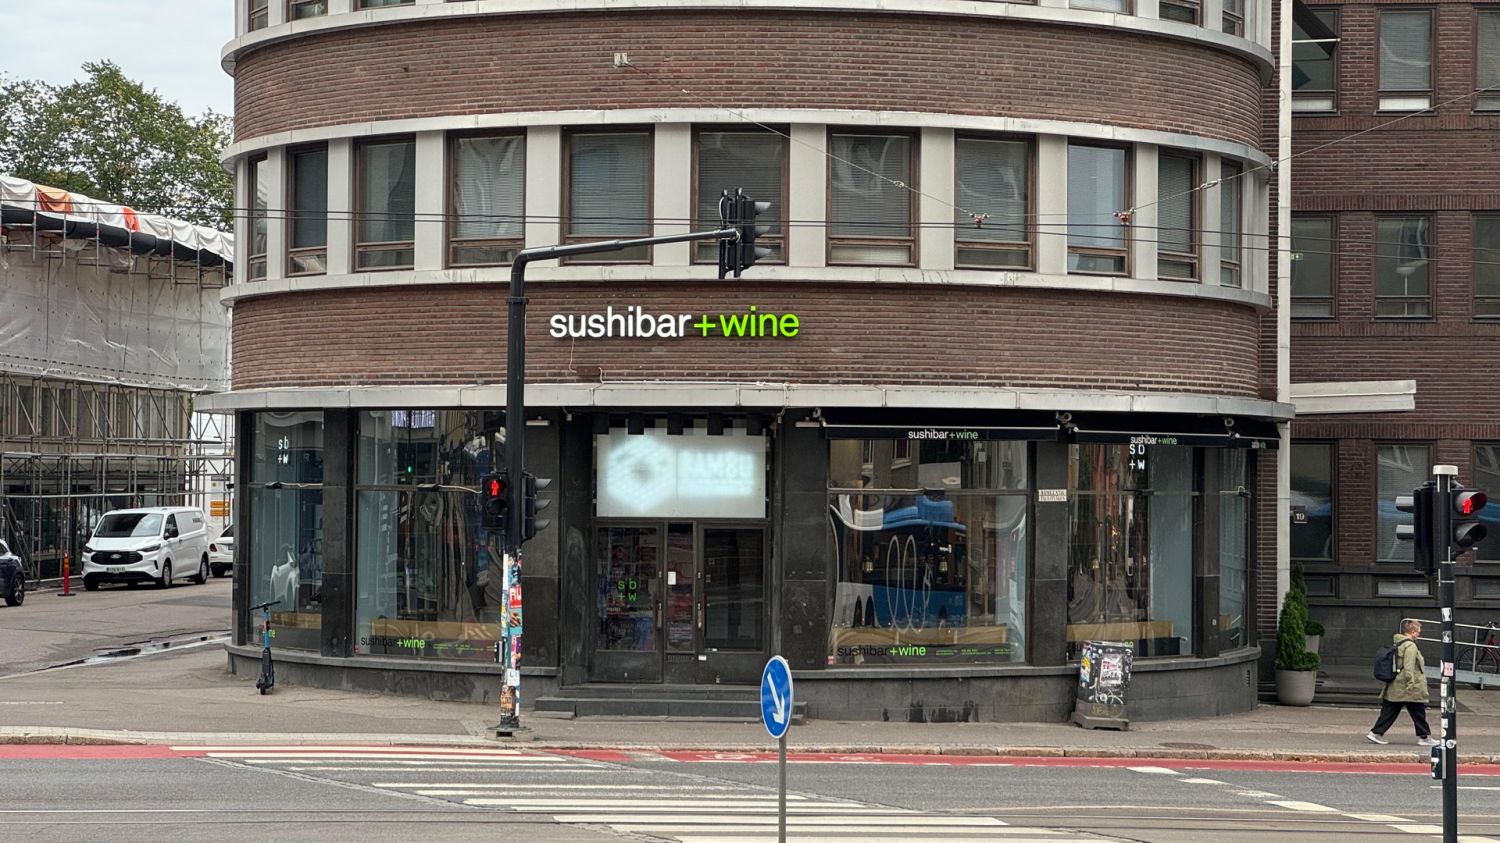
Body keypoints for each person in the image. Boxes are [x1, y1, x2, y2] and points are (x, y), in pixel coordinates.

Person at [1367, 618, 1440, 746]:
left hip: (1397, 685)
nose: (1419, 634)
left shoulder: (1399, 643)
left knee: (1390, 711)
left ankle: (1376, 733)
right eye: (1418, 632)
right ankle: (1424, 737)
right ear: (1412, 632)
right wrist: (1411, 684)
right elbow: (1409, 666)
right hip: (1408, 686)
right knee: (1418, 712)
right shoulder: (1410, 646)